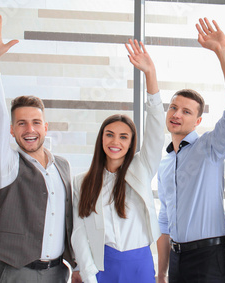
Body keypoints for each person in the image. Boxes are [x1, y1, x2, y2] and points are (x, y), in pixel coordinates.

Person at [0, 12, 78, 282]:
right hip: (17, 272)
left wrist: (78, 265)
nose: (30, 129)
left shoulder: (64, 166)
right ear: (12, 130)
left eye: (36, 122)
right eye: (21, 124)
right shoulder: (7, 164)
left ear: (46, 126)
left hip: (59, 272)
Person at [156, 18, 225, 283]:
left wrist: (223, 53)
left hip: (209, 256)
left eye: (186, 111)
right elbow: (164, 220)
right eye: (173, 107)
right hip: (176, 258)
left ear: (197, 121)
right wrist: (162, 273)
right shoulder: (165, 163)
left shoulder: (210, 147)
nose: (177, 114)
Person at [70, 39, 165, 283]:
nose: (116, 141)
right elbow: (79, 232)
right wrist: (89, 274)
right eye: (110, 134)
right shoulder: (82, 182)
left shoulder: (141, 168)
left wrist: (150, 75)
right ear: (101, 138)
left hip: (139, 264)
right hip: (103, 265)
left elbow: (155, 128)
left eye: (124, 136)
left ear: (131, 142)